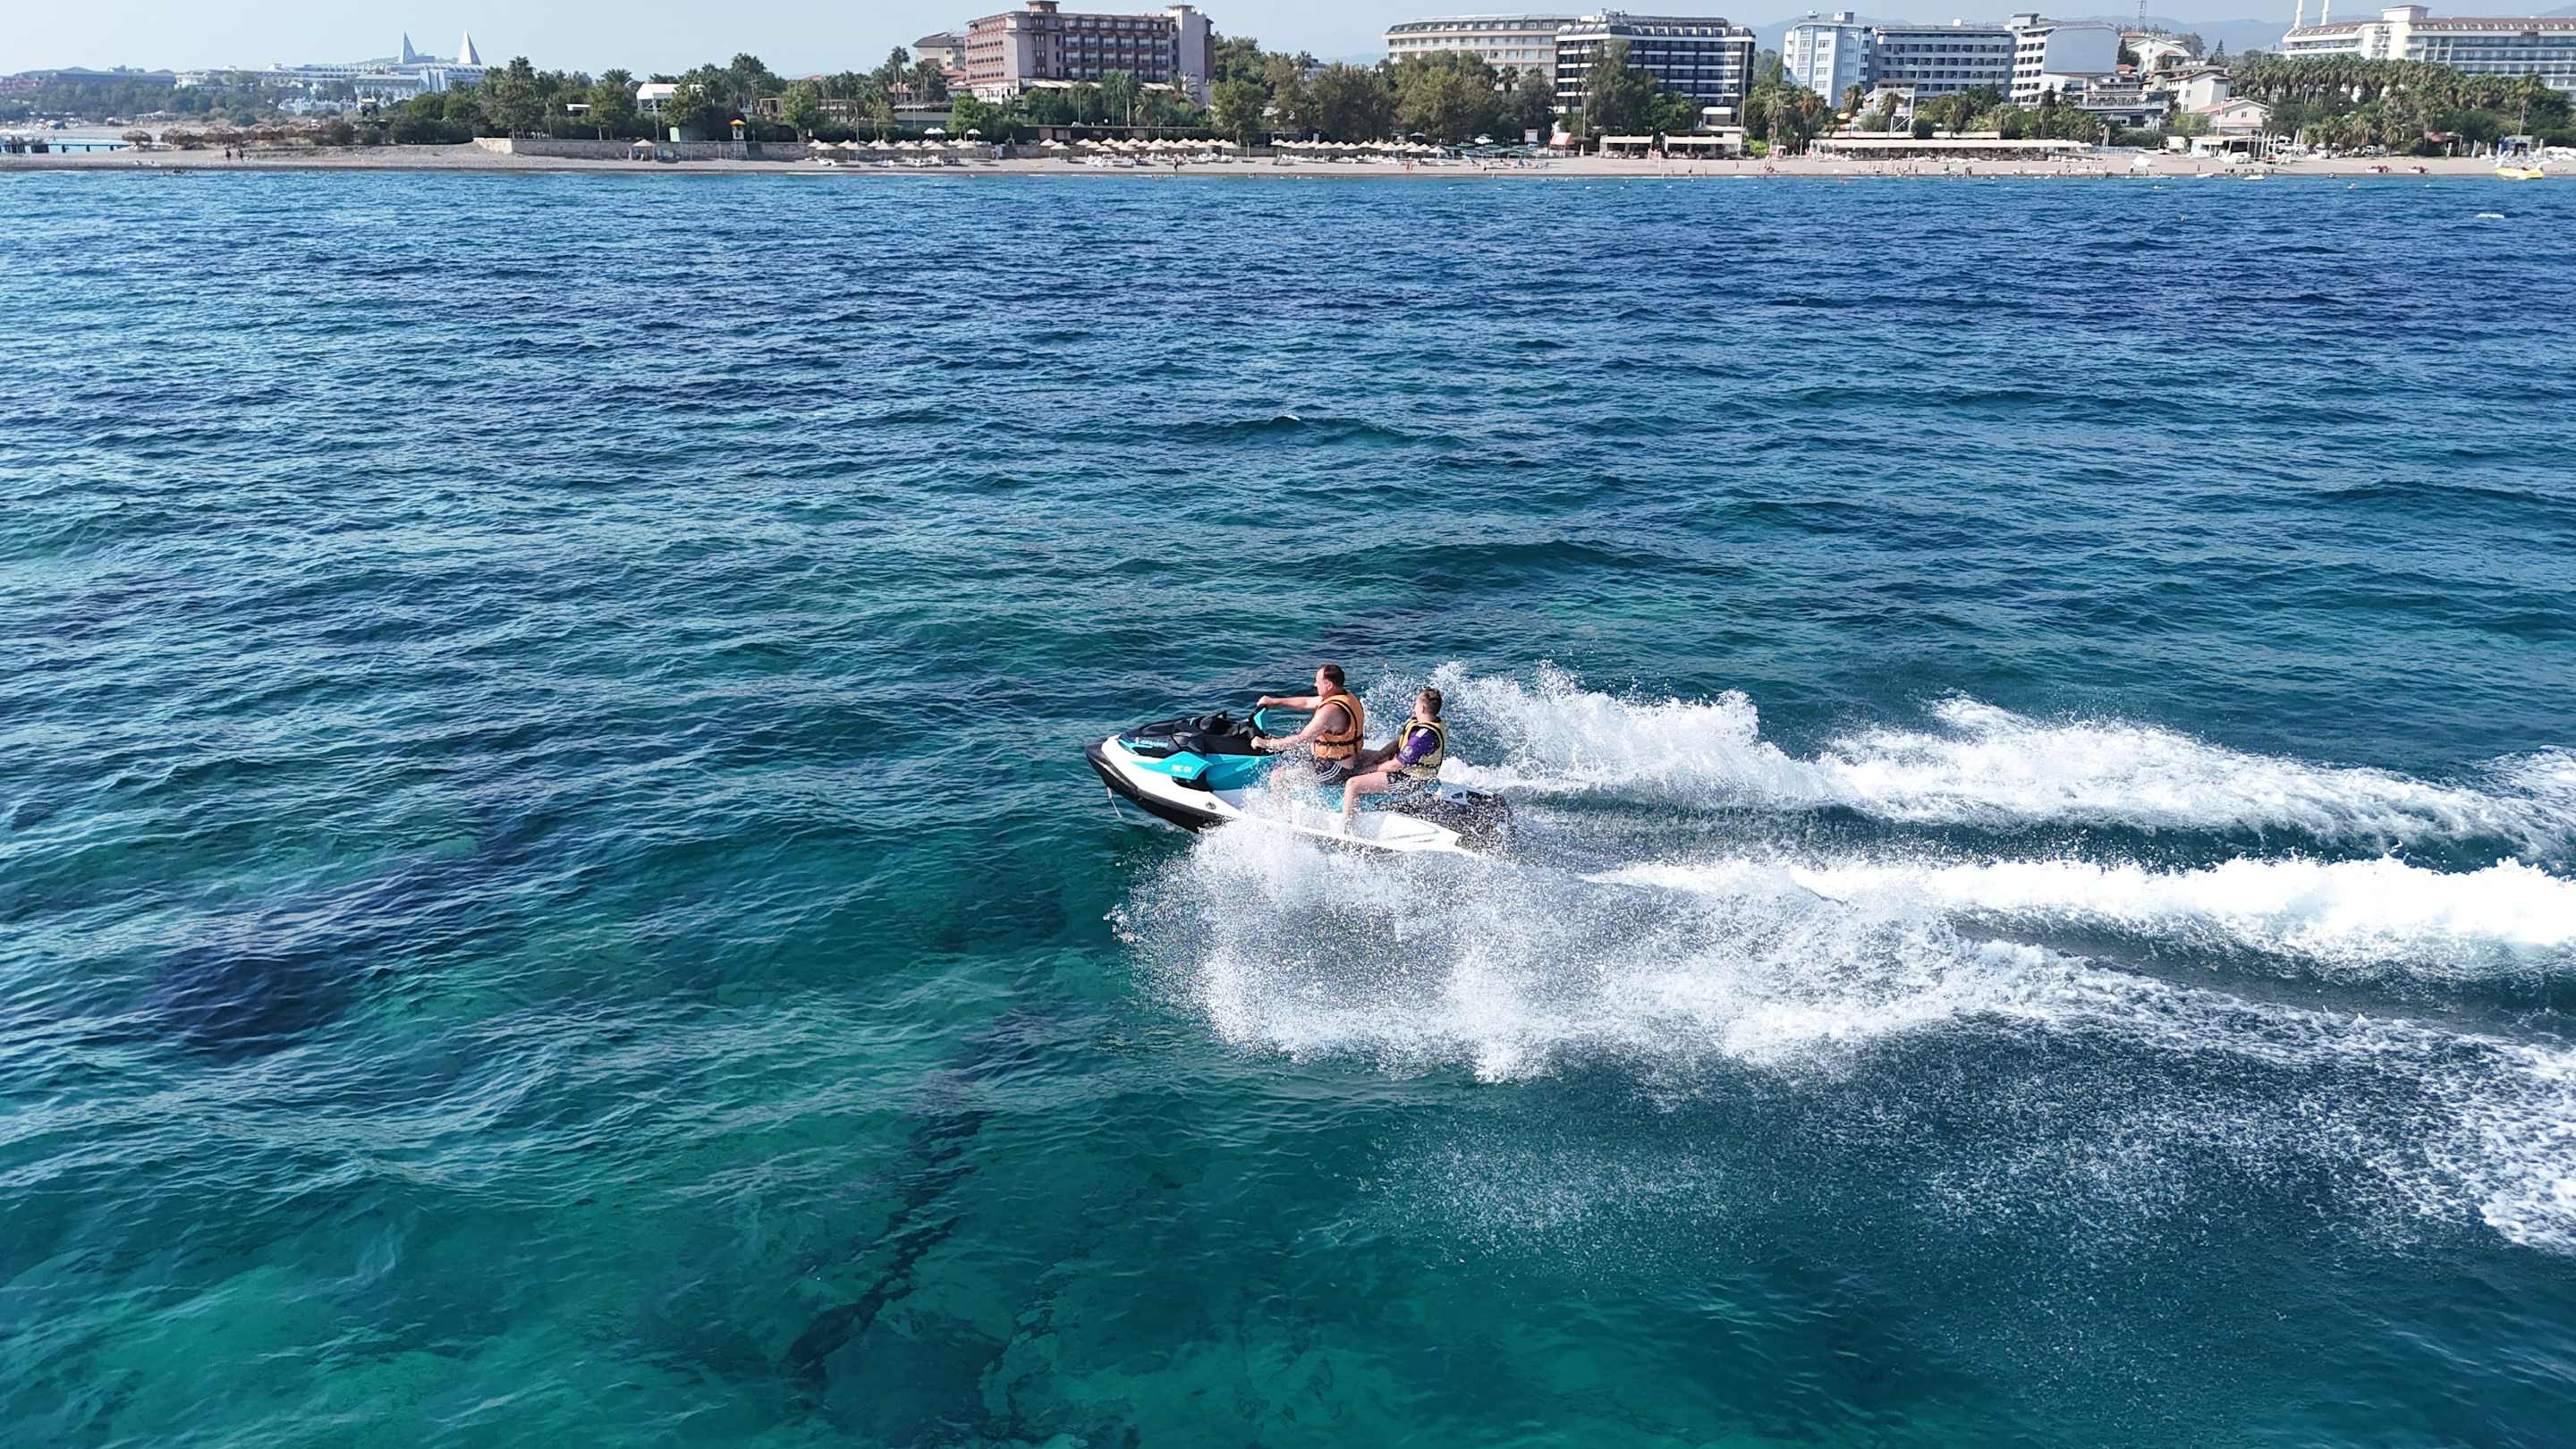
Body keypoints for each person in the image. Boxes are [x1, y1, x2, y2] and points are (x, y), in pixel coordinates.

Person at [1340, 688, 1447, 831]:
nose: (1414, 707)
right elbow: (1398, 742)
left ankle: (1346, 829)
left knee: (1353, 784)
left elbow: (1396, 765)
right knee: (1360, 755)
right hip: (1405, 768)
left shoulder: (1424, 736)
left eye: (1416, 704)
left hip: (1412, 780)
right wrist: (1377, 756)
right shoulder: (1425, 723)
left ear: (1422, 707)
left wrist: (1370, 769)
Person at [1250, 664, 1364, 780]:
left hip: (1336, 768)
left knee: (1277, 776)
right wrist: (1274, 701)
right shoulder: (1344, 695)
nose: (1315, 685)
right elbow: (1306, 702)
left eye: (1318, 682)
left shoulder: (1330, 710)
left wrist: (1267, 743)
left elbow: (1302, 738)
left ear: (1329, 685)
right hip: (1338, 758)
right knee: (1299, 750)